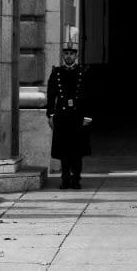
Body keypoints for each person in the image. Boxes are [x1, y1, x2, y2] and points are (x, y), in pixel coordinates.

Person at [47, 40, 92, 189]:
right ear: (63, 55)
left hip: (78, 117)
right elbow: (51, 95)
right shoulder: (56, 73)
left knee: (77, 151)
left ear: (76, 55)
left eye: (71, 54)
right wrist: (51, 114)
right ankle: (65, 179)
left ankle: (76, 180)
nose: (68, 57)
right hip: (62, 116)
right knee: (64, 151)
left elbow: (89, 96)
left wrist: (88, 116)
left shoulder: (83, 72)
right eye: (66, 54)